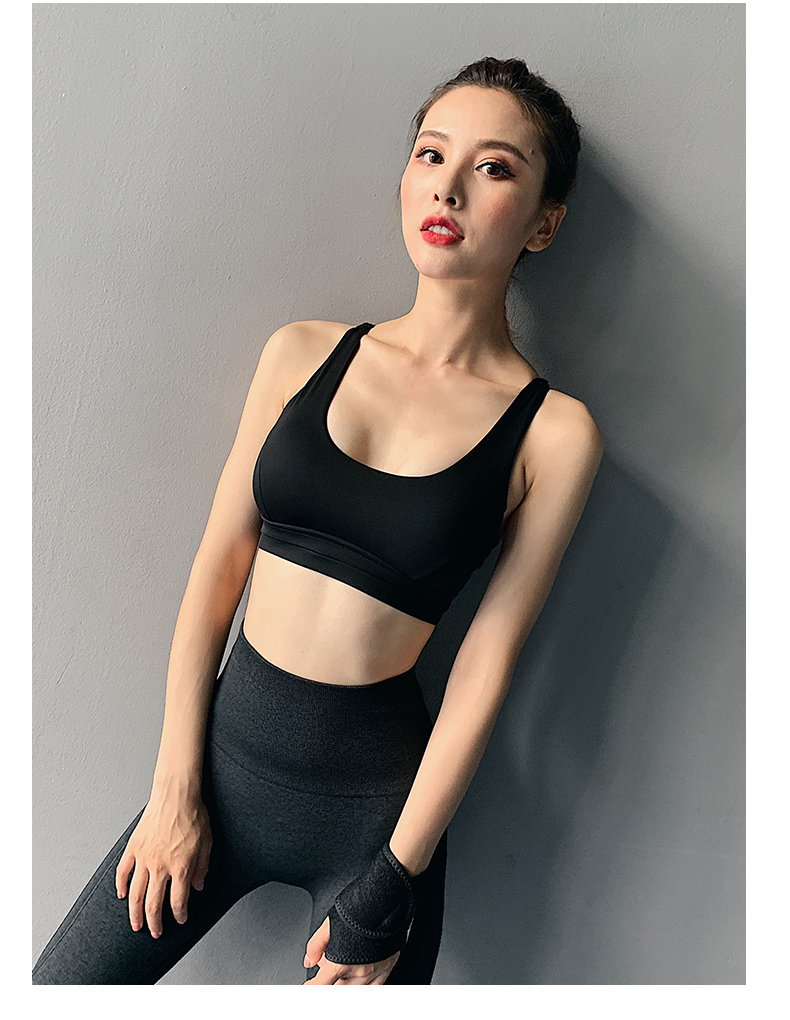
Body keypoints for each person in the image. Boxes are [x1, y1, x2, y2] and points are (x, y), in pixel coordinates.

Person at [32, 56, 603, 986]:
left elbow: (485, 667)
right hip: (216, 769)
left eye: (494, 167)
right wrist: (173, 787)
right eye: (431, 155)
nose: (448, 187)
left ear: (545, 222)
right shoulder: (301, 353)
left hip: (376, 819)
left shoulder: (555, 433)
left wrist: (393, 881)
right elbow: (218, 571)